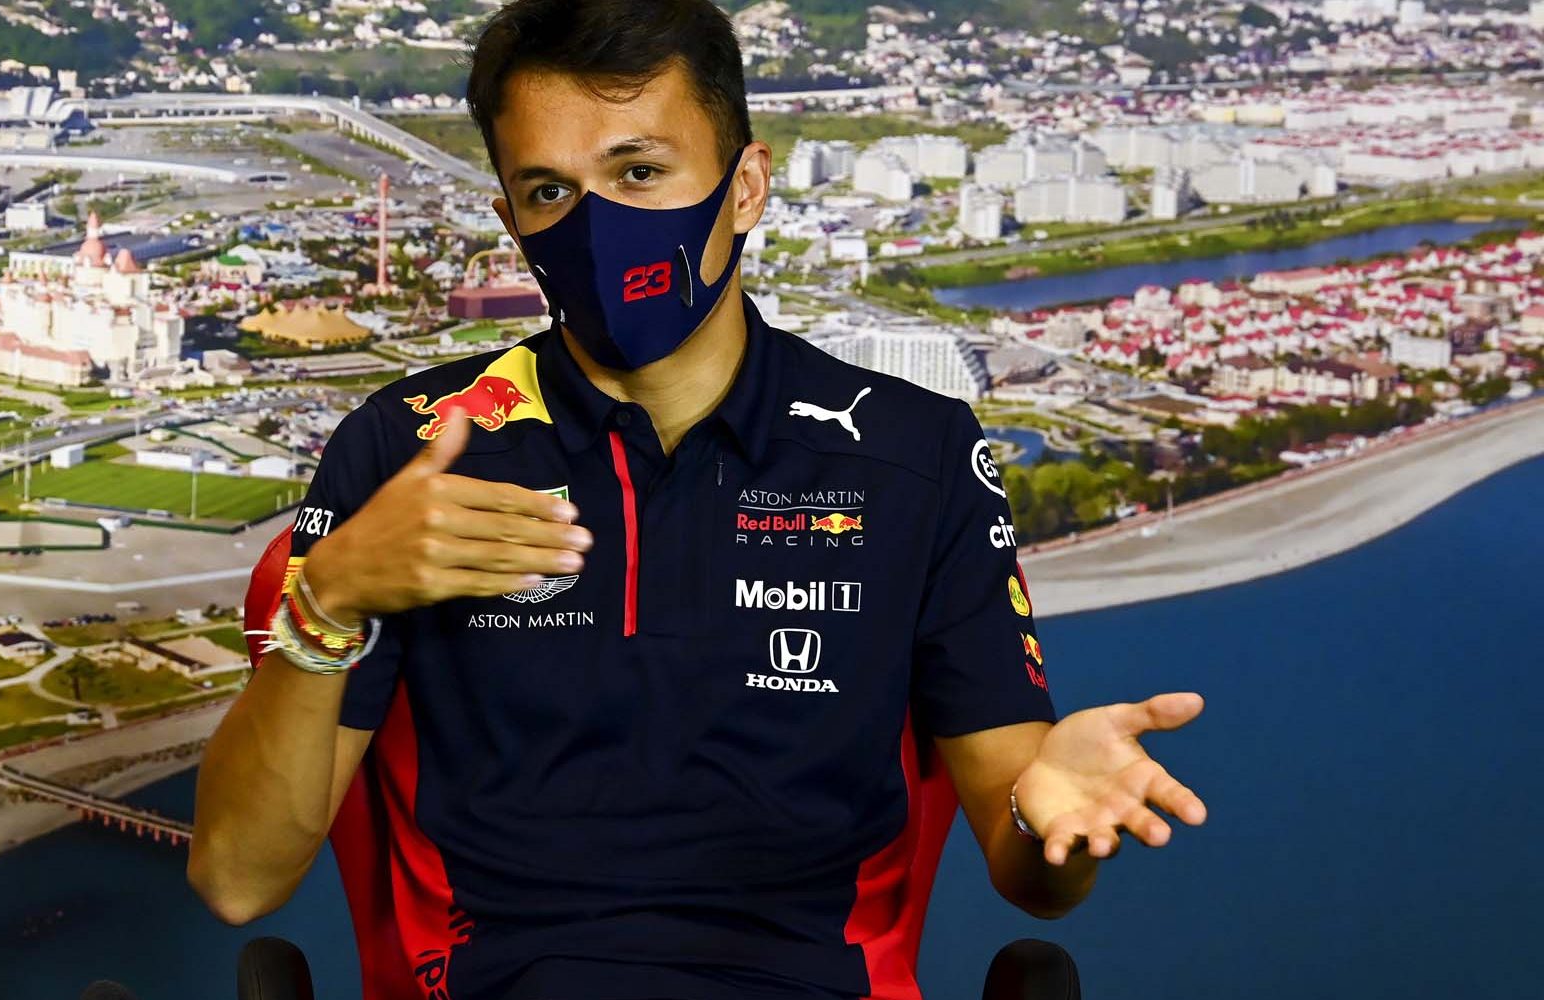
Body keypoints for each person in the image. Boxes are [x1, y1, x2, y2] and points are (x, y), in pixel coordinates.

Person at [189, 1, 1209, 997]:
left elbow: (1034, 875)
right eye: (549, 192)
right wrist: (328, 605)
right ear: (509, 218)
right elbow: (238, 880)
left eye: (639, 172)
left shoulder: (916, 456)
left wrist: (1055, 818)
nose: (593, 227)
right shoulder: (408, 449)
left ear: (747, 186)